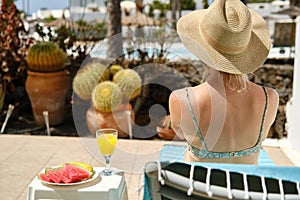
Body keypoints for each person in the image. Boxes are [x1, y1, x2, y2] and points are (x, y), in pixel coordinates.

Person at [169, 0, 279, 164]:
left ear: (202, 49)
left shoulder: (182, 99)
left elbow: (181, 133)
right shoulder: (270, 98)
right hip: (245, 187)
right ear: (246, 50)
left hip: (199, 187)